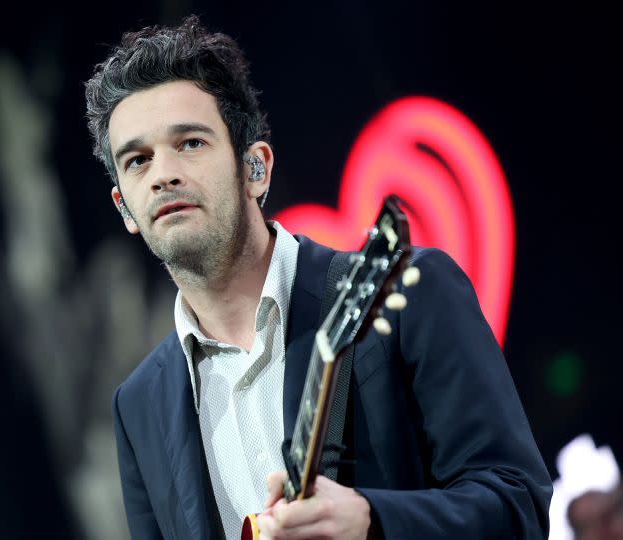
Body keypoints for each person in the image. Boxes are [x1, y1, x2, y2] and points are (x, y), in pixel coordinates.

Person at [84, 15, 552, 540]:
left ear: (255, 168)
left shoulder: (411, 293)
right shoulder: (139, 403)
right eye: (138, 160)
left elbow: (519, 505)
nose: (163, 174)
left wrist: (372, 522)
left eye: (190, 143)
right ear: (124, 207)